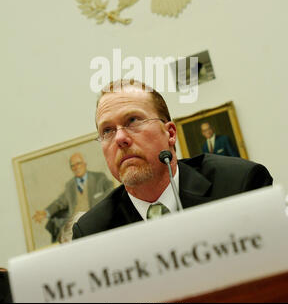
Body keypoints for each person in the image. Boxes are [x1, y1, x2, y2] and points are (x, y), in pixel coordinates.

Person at [72, 80, 273, 239]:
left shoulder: (239, 184)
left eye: (132, 120)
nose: (120, 138)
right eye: (107, 130)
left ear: (170, 134)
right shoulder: (92, 231)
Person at [33, 152, 113, 242]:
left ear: (85, 164)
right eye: (72, 166)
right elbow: (59, 202)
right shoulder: (69, 185)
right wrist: (45, 212)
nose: (76, 167)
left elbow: (112, 190)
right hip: (76, 225)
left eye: (78, 163)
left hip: (94, 219)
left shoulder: (99, 178)